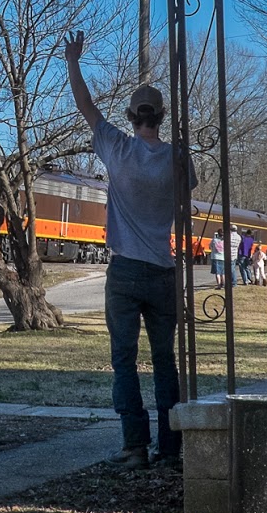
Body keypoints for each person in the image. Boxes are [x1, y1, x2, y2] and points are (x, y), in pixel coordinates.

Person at [65, 31, 192, 469]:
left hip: (124, 271)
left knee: (124, 360)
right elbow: (185, 201)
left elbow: (86, 106)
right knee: (165, 361)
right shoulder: (178, 158)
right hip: (163, 271)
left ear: (131, 116)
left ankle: (134, 446)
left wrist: (73, 61)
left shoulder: (117, 148)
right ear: (162, 116)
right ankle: (171, 448)